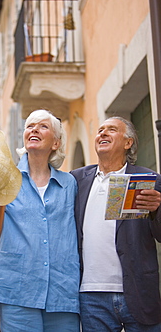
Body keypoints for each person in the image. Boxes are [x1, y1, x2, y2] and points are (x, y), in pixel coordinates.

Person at [0, 109, 80, 332]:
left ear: (56, 143)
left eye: (43, 126)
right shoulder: (5, 179)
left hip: (62, 293)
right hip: (15, 291)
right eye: (29, 126)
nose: (34, 129)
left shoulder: (70, 184)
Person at [70, 116, 161, 331]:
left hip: (138, 290)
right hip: (91, 295)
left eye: (111, 130)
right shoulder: (76, 180)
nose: (102, 133)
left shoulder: (149, 179)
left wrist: (158, 209)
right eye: (100, 130)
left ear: (128, 143)